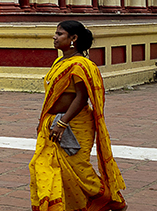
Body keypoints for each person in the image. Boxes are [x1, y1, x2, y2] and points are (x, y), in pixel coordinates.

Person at [29, 20, 126, 211]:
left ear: (73, 38)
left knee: (79, 169)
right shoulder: (60, 62)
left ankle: (112, 201)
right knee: (42, 165)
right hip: (55, 121)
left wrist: (62, 123)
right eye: (56, 34)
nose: (55, 37)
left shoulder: (80, 65)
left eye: (60, 34)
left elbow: (82, 98)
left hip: (74, 123)